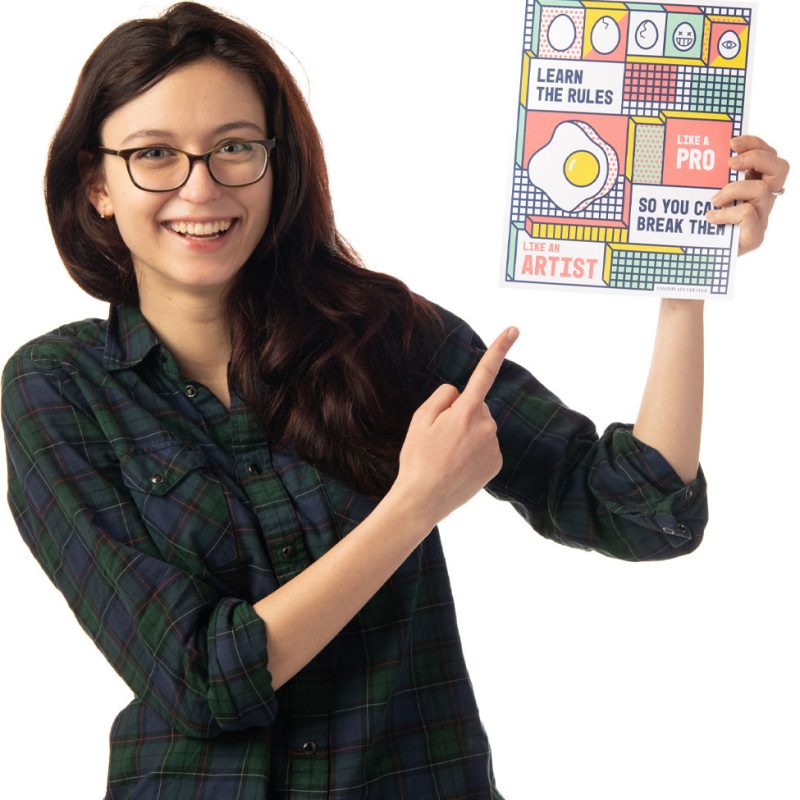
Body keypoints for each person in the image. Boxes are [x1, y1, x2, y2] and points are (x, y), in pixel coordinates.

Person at [1, 2, 789, 798]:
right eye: (155, 154)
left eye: (235, 147)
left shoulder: (380, 334)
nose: (200, 186)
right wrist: (412, 506)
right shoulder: (56, 391)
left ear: (277, 165)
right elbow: (204, 677)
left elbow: (639, 510)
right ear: (96, 184)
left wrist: (686, 272)